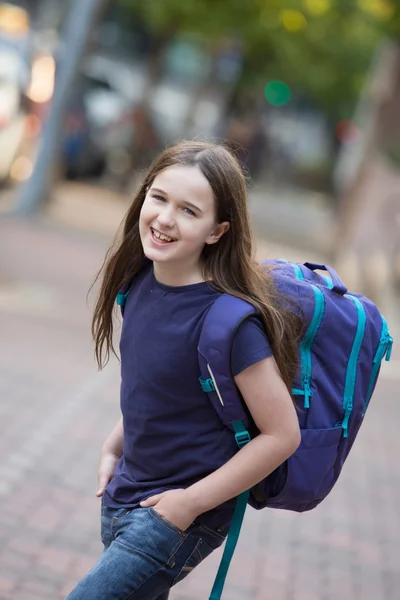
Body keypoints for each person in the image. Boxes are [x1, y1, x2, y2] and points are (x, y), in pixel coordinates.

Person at [66, 141, 302, 600]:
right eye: (159, 198)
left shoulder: (230, 324)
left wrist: (186, 504)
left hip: (178, 517)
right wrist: (114, 444)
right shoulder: (139, 285)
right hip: (126, 492)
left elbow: (282, 434)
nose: (165, 218)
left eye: (189, 211)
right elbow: (160, 387)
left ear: (217, 231)